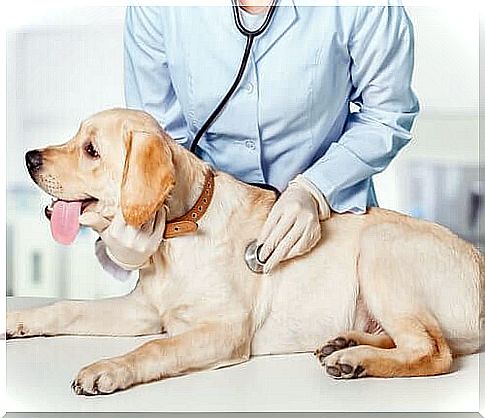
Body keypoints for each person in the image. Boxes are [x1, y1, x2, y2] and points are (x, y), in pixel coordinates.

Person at [96, 2, 419, 277]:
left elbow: (387, 114)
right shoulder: (157, 9)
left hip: (327, 234)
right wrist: (132, 242)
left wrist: (317, 187)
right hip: (202, 239)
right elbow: (158, 141)